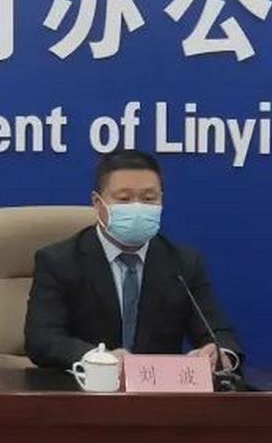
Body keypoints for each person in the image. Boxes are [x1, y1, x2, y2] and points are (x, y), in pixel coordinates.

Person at [24, 149, 241, 371]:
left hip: (158, 389)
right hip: (83, 387)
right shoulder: (59, 262)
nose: (137, 207)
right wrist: (99, 359)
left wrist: (220, 354)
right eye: (124, 199)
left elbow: (219, 334)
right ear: (97, 203)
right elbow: (42, 339)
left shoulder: (183, 264)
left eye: (149, 199)